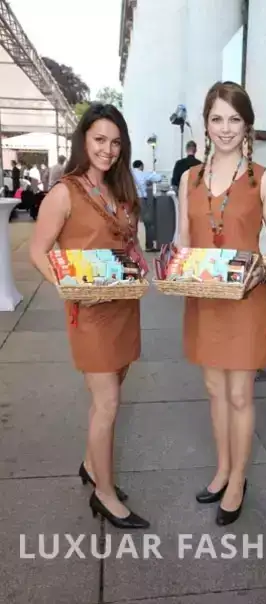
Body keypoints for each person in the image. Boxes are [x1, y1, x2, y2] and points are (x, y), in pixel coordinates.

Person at [29, 103, 150, 530]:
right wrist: (69, 288)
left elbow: (129, 243)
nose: (107, 150)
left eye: (115, 142)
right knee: (107, 402)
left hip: (124, 306)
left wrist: (139, 261)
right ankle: (105, 494)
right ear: (84, 140)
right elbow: (38, 251)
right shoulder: (65, 192)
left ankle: (90, 463)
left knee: (113, 390)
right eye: (99, 139)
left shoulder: (120, 189)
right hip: (90, 313)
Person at [178, 81, 266, 526]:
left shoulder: (264, 179)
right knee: (214, 390)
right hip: (204, 299)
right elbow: (183, 241)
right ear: (205, 124)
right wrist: (171, 266)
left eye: (234, 119)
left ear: (248, 125)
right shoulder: (189, 179)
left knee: (240, 393)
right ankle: (223, 469)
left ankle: (239, 479)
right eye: (217, 118)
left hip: (244, 300)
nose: (225, 128)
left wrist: (263, 266)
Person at [132, 159, 162, 251]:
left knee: (132, 224)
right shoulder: (143, 174)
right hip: (141, 200)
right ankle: (149, 246)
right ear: (141, 166)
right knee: (148, 223)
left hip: (130, 200)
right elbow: (158, 178)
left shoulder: (129, 174)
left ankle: (132, 247)